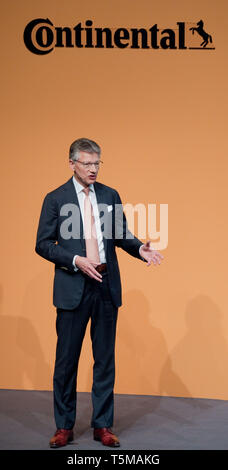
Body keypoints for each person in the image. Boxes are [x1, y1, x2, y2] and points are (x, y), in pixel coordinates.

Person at [35, 137, 163, 448]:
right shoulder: (55, 198)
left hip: (105, 286)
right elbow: (42, 244)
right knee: (66, 361)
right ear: (72, 164)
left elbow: (121, 235)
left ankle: (102, 426)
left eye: (97, 163)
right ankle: (64, 426)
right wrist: (76, 260)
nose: (93, 169)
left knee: (105, 360)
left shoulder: (109, 195)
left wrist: (140, 249)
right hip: (73, 287)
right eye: (87, 163)